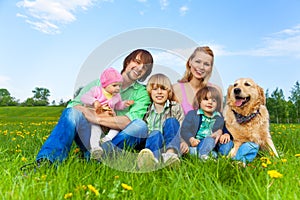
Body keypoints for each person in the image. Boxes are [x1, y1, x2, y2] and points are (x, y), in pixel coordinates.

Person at [25, 49, 153, 166]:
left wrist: (96, 118)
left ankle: (99, 157)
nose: (140, 68)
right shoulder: (99, 83)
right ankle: (48, 161)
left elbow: (129, 121)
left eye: (145, 67)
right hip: (90, 136)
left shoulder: (142, 93)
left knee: (140, 126)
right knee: (72, 113)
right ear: (128, 61)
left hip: (115, 141)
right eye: (137, 62)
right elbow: (74, 105)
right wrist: (92, 112)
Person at [173, 46, 232, 156]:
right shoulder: (176, 89)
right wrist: (183, 141)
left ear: (210, 68)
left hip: (210, 140)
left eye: (206, 64)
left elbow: (220, 118)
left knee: (227, 145)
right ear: (190, 62)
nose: (201, 67)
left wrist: (220, 131)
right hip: (186, 141)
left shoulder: (215, 90)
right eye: (198, 61)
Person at [80, 67, 134, 159]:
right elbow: (84, 98)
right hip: (96, 118)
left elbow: (118, 106)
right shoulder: (97, 90)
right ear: (105, 84)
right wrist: (94, 101)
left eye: (119, 86)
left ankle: (107, 139)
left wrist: (125, 104)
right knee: (95, 129)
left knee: (116, 127)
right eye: (114, 85)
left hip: (109, 119)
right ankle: (95, 147)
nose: (117, 88)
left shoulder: (117, 96)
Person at [134, 73, 184, 170]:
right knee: (155, 133)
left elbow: (182, 126)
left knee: (172, 121)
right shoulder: (146, 109)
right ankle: (151, 160)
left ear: (168, 91)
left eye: (163, 89)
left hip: (169, 143)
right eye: (155, 89)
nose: (159, 92)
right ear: (150, 91)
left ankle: (171, 156)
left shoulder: (175, 107)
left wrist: (183, 142)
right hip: (152, 143)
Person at [180, 86, 224, 160]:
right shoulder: (192, 114)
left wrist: (224, 133)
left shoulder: (219, 117)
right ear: (199, 101)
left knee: (210, 140)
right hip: (195, 144)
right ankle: (203, 155)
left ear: (217, 103)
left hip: (211, 146)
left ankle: (203, 155)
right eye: (206, 99)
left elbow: (224, 129)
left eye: (213, 100)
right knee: (188, 150)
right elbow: (185, 129)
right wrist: (191, 139)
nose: (210, 102)